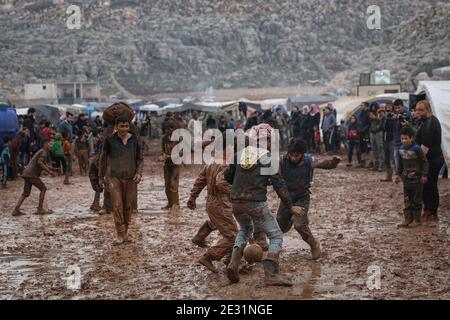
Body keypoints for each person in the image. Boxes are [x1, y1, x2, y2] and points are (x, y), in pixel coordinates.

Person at [224, 123, 304, 287]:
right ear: (266, 139)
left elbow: (228, 176)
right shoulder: (267, 157)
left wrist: (246, 181)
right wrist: (290, 206)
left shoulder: (240, 154)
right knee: (276, 236)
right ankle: (271, 275)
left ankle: (233, 264)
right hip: (256, 203)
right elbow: (279, 185)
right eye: (269, 139)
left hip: (236, 203)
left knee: (245, 230)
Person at [277, 138, 341, 259]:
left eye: (297, 155)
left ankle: (314, 244)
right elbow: (273, 176)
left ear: (302, 154)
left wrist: (334, 162)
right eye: (292, 155)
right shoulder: (281, 161)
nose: (294, 158)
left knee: (300, 225)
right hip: (287, 198)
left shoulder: (309, 160)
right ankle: (275, 247)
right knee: (279, 227)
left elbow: (324, 164)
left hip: (302, 197)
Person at [187, 140, 238, 273]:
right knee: (233, 236)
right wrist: (237, 193)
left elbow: (200, 181)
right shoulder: (225, 165)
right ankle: (209, 256)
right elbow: (221, 184)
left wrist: (193, 197)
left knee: (219, 223)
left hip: (211, 202)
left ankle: (199, 237)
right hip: (221, 202)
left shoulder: (210, 163)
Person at [99, 116, 143, 244]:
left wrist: (139, 173)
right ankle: (120, 234)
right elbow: (103, 157)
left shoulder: (135, 139)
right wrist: (101, 176)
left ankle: (126, 233)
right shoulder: (109, 140)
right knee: (117, 205)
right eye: (121, 126)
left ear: (129, 127)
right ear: (116, 127)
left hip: (131, 177)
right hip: (114, 177)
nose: (124, 129)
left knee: (128, 206)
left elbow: (140, 158)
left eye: (126, 126)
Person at [414, 100, 445, 222]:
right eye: (416, 109)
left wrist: (418, 160)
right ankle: (428, 209)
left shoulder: (430, 122)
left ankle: (431, 211)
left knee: (430, 185)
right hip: (430, 159)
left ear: (428, 110)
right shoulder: (425, 121)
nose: (417, 112)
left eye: (421, 110)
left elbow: (425, 145)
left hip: (432, 159)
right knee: (427, 185)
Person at [394, 127, 428, 228]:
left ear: (411, 138)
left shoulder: (417, 149)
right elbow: (400, 164)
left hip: (417, 179)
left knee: (417, 200)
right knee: (407, 199)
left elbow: (424, 162)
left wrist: (424, 175)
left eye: (406, 138)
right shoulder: (400, 149)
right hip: (406, 179)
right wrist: (398, 175)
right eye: (402, 139)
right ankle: (408, 218)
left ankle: (417, 220)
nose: (403, 141)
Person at [11, 140, 56, 216]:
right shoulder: (44, 152)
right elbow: (39, 162)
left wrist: (51, 168)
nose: (50, 146)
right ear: (45, 145)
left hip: (26, 173)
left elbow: (40, 163)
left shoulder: (41, 151)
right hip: (32, 174)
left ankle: (16, 210)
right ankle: (40, 208)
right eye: (49, 144)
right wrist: (49, 171)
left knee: (25, 193)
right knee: (43, 189)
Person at [161, 120, 180, 210]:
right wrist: (163, 156)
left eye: (169, 129)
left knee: (173, 184)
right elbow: (163, 150)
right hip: (167, 164)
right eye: (166, 129)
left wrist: (169, 156)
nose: (168, 131)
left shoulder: (179, 139)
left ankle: (176, 204)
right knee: (167, 184)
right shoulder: (164, 138)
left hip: (176, 164)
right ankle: (170, 203)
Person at [381, 103, 397, 182]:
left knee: (393, 158)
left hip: (392, 140)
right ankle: (388, 176)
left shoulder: (395, 117)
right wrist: (385, 119)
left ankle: (397, 176)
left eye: (390, 108)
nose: (388, 110)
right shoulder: (384, 118)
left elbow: (393, 128)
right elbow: (381, 127)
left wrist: (391, 119)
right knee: (386, 158)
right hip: (385, 139)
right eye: (387, 108)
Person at [369, 104, 385, 171]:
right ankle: (376, 164)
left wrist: (375, 117)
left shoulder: (381, 113)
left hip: (378, 132)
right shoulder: (371, 113)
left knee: (380, 148)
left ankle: (382, 165)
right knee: (374, 148)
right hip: (372, 132)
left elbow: (382, 121)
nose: (373, 108)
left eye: (374, 107)